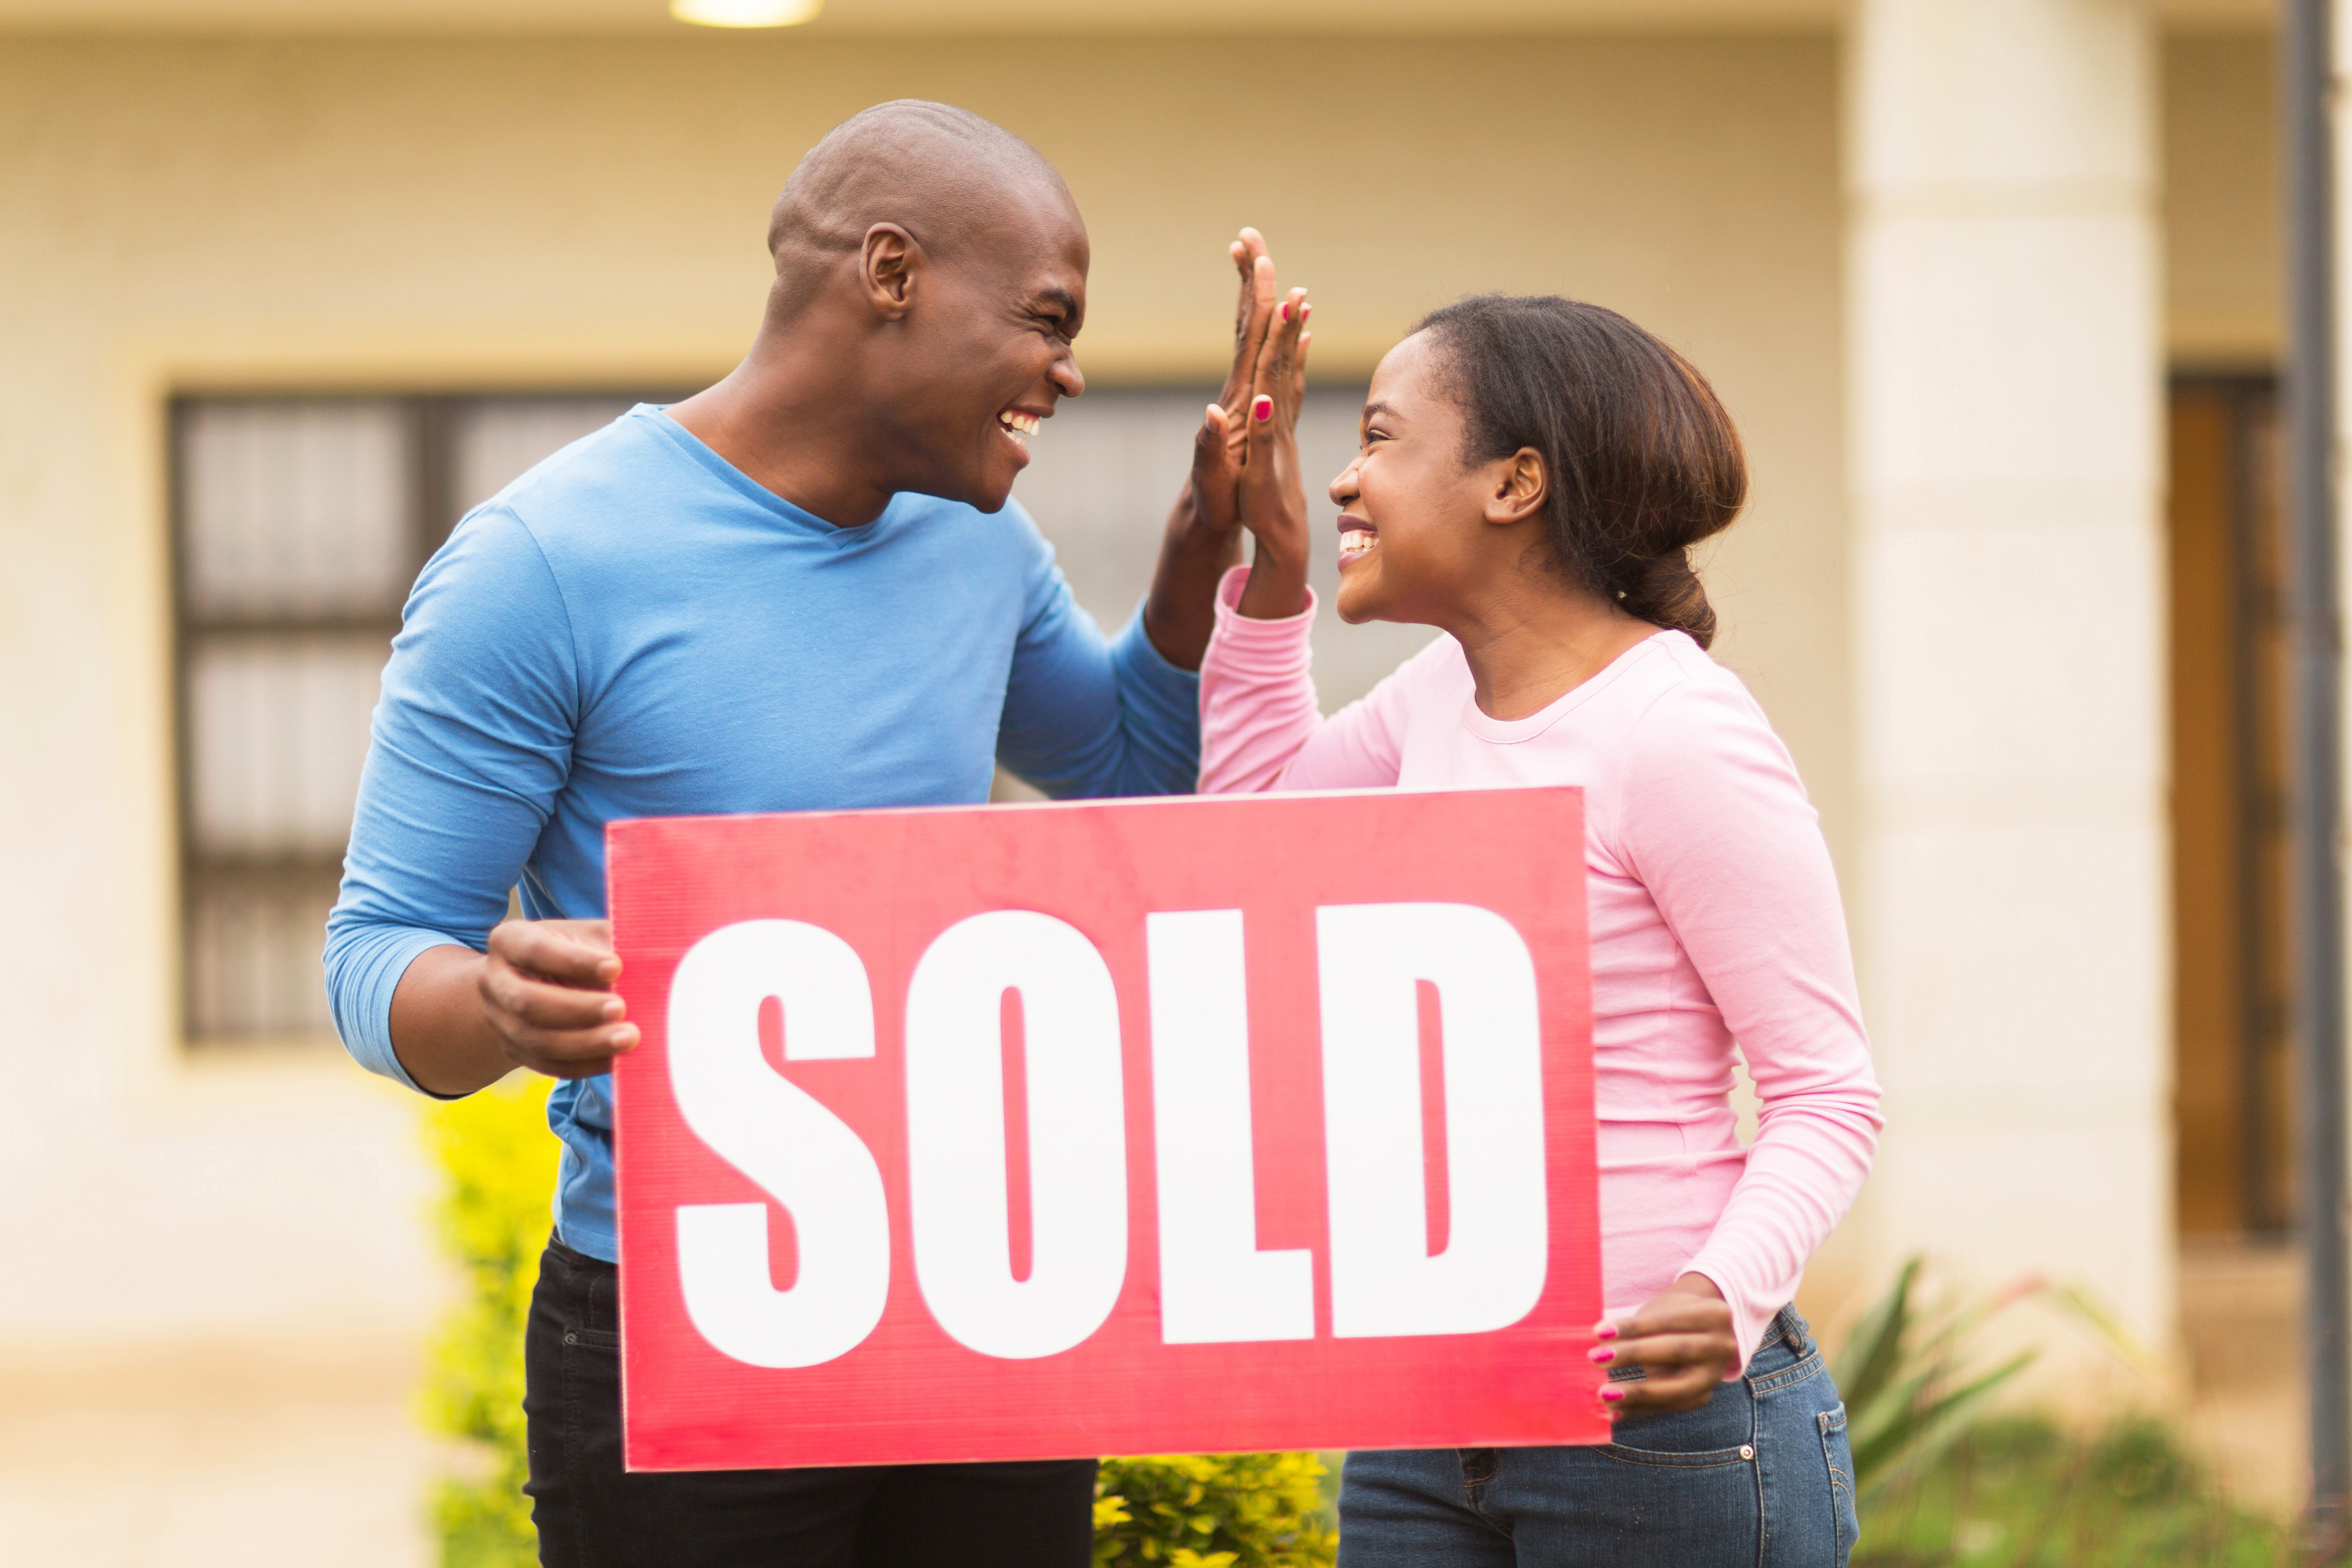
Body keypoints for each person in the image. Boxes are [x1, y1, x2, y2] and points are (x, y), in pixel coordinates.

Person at [324, 100, 1303, 1568]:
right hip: (689, 1322)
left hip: (986, 1296)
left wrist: (1194, 552)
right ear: (891, 273)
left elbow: (1122, 784)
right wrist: (501, 1005)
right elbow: (375, 956)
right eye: (1046, 318)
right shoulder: (544, 565)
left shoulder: (977, 541)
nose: (1070, 371)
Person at [1196, 293, 1884, 1566]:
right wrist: (1275, 570)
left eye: (1382, 440)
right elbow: (1247, 855)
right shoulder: (1431, 700)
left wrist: (1722, 1297)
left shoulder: (1676, 732)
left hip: (1655, 1429)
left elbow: (1828, 1093)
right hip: (1428, 1412)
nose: (1345, 479)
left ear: (1515, 485)